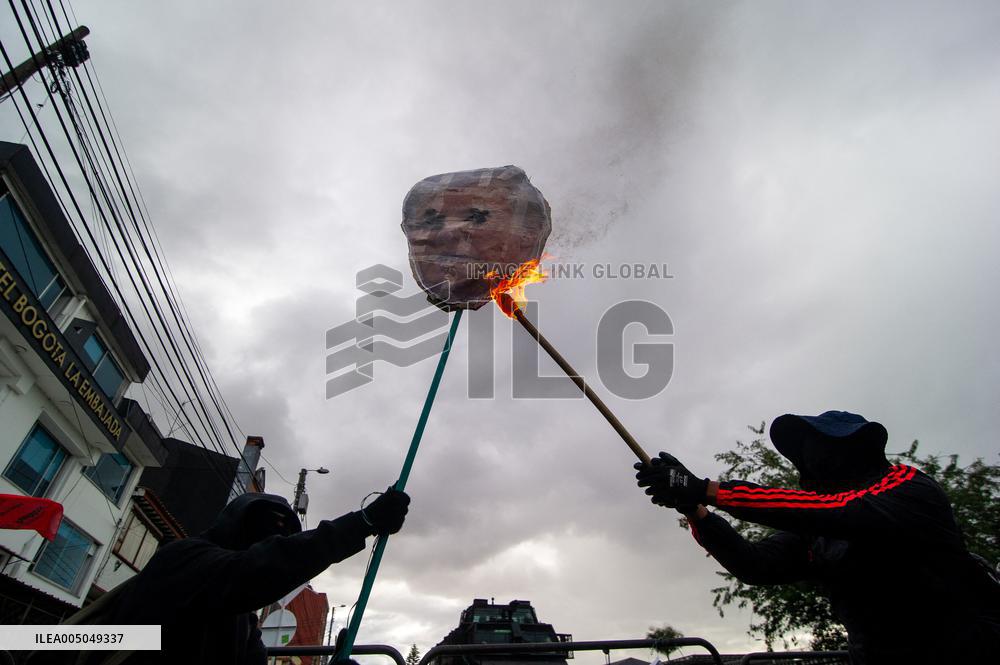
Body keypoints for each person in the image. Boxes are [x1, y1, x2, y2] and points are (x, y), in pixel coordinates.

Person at [635, 411, 1000, 664]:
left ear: (857, 448)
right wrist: (692, 508)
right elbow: (756, 564)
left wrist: (705, 489)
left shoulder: (909, 489)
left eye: (822, 445)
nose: (811, 457)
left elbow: (836, 509)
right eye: (804, 449)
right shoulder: (819, 533)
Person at [102, 487, 410, 664]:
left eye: (284, 533)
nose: (272, 535)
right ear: (234, 520)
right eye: (265, 523)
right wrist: (362, 523)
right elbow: (255, 571)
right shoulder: (182, 558)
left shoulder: (243, 622)